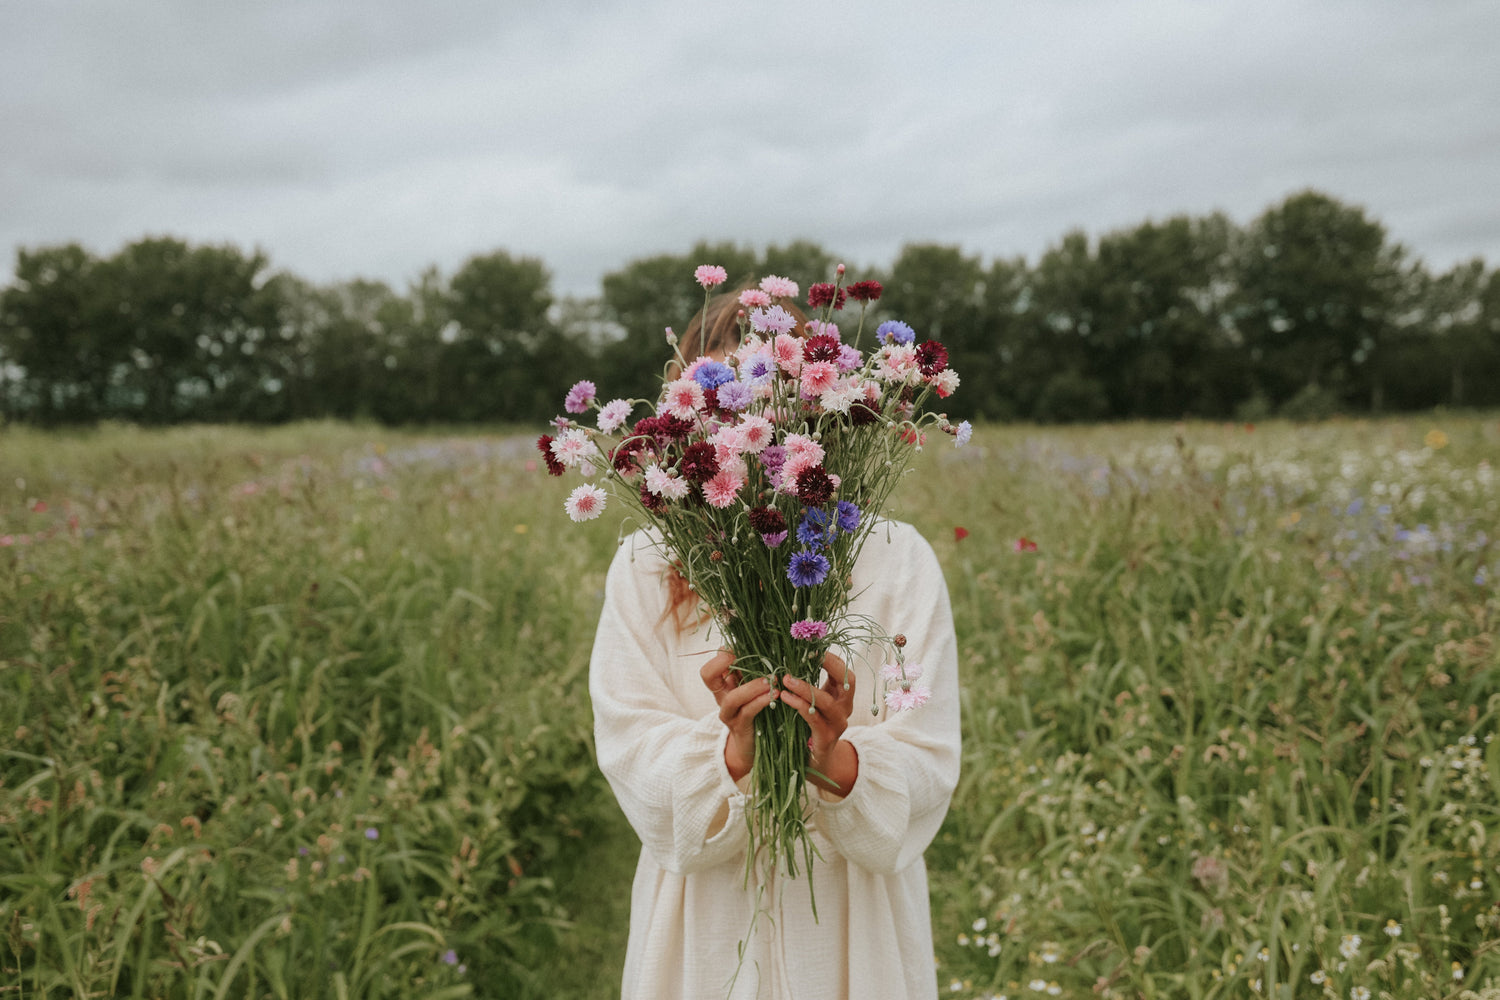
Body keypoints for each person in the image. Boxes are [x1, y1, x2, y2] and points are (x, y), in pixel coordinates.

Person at [588, 291, 962, 999]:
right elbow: (629, 750)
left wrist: (836, 759)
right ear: (689, 428)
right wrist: (732, 757)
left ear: (813, 408)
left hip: (857, 930)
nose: (748, 422)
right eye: (723, 407)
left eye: (765, 400)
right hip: (704, 932)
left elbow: (931, 761)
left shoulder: (897, 557)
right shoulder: (644, 563)